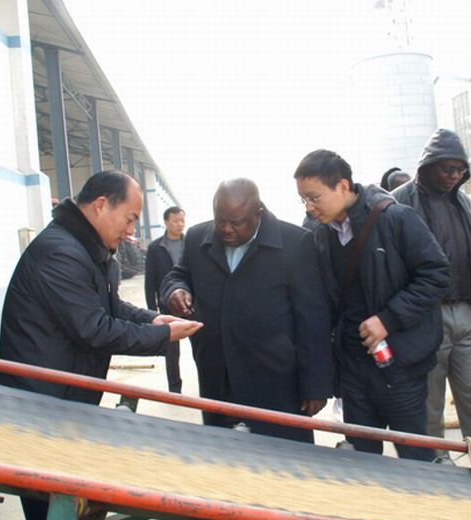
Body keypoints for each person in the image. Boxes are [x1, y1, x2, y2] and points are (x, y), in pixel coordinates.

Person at [0, 170, 202, 520]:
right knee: (49, 510)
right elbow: (94, 328)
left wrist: (154, 319)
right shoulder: (60, 252)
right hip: (41, 405)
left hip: (67, 397)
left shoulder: (90, 249)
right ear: (101, 205)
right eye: (129, 219)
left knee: (68, 502)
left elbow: (111, 307)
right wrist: (163, 337)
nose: (131, 231)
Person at [294, 149, 451, 460]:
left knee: (415, 456)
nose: (309, 207)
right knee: (362, 459)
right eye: (303, 200)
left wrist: (388, 319)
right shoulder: (318, 232)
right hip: (352, 366)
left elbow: (437, 274)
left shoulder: (395, 219)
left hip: (399, 364)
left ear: (342, 186)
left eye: (314, 198)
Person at [161, 178, 333, 443]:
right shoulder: (197, 238)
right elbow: (178, 275)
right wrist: (176, 290)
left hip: (275, 381)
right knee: (225, 456)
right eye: (220, 221)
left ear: (258, 214)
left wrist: (315, 386)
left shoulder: (294, 243)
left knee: (281, 456)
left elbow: (312, 319)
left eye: (236, 222)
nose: (226, 229)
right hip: (218, 377)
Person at [392, 129, 471, 449]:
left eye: (460, 170)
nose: (454, 176)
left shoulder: (461, 201)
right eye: (448, 169)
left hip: (470, 312)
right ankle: (432, 468)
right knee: (427, 404)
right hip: (426, 317)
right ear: (429, 166)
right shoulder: (399, 201)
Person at [143, 206, 186, 393]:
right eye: (176, 221)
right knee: (171, 351)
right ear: (166, 222)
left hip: (191, 304)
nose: (180, 224)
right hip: (167, 305)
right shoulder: (156, 248)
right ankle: (175, 390)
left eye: (182, 220)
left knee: (201, 348)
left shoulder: (190, 244)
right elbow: (150, 281)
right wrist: (152, 312)